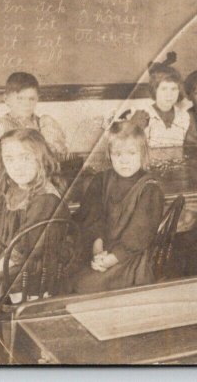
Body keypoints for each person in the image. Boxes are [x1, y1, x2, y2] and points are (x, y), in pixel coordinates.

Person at [0, 129, 69, 363]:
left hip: (34, 268)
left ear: (41, 159)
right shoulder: (15, 189)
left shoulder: (45, 198)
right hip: (9, 262)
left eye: (26, 157)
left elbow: (24, 249)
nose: (17, 166)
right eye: (10, 159)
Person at [72, 122, 165, 294]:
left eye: (131, 153)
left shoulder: (150, 188)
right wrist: (97, 250)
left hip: (130, 258)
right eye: (117, 154)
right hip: (99, 251)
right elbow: (92, 218)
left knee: (85, 285)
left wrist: (112, 259)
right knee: (67, 276)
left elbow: (139, 235)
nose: (124, 160)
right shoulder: (101, 180)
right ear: (109, 154)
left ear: (143, 154)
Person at [0, 72, 67, 156]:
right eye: (20, 98)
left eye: (31, 99)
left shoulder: (44, 123)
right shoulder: (0, 126)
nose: (26, 104)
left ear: (37, 98)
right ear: (6, 99)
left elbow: (59, 155)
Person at [130, 57, 191, 148]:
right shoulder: (142, 114)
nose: (169, 94)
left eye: (173, 89)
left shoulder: (184, 116)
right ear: (155, 90)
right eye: (164, 89)